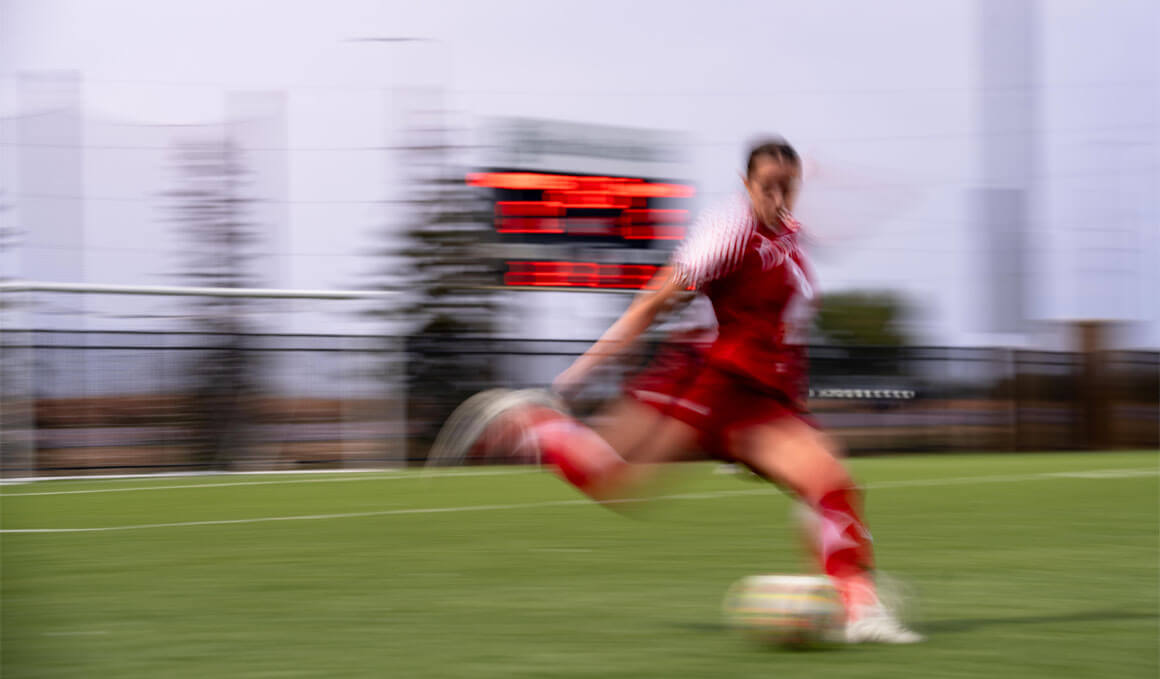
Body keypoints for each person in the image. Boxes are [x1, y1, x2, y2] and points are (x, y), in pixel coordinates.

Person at [434, 138, 922, 644]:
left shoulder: (791, 233)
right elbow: (653, 302)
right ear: (746, 185)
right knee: (615, 482)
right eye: (768, 188)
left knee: (831, 484)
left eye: (788, 188)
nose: (779, 199)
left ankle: (859, 610)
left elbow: (786, 317)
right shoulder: (727, 232)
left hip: (759, 401)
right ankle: (532, 424)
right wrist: (574, 377)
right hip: (703, 381)